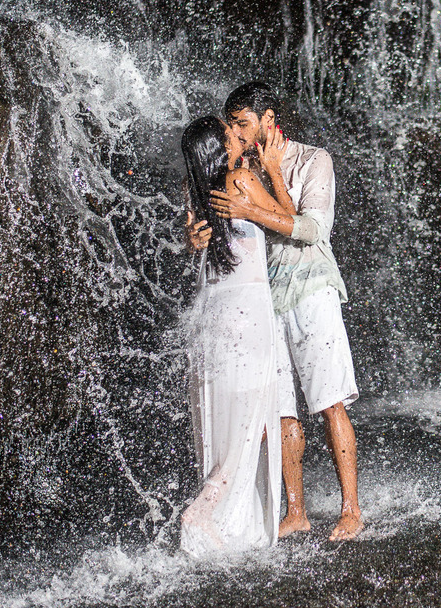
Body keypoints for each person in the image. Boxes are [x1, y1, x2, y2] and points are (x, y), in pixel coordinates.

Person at [187, 82, 363, 541]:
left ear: (269, 120)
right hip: (266, 303)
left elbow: (311, 230)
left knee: (328, 401)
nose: (237, 135)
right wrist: (199, 236)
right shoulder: (240, 168)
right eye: (232, 127)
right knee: (283, 411)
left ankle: (351, 510)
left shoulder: (312, 160)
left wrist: (263, 190)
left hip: (311, 290)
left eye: (243, 124)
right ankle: (296, 511)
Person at [178, 115, 294, 554]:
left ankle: (226, 522)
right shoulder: (242, 179)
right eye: (230, 135)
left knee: (229, 425)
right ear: (219, 148)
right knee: (249, 426)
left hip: (212, 316)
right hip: (247, 316)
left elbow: (197, 246)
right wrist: (276, 174)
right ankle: (203, 510)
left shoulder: (194, 191)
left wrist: (191, 240)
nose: (238, 137)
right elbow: (289, 220)